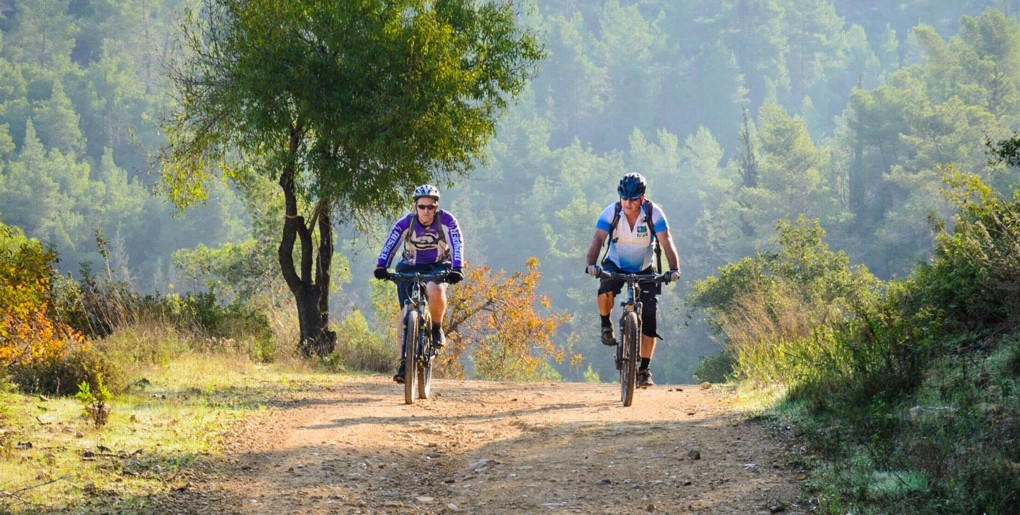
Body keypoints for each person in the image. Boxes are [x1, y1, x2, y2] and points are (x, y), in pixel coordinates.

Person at [584, 173, 680, 388]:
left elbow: (666, 242)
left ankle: (644, 369)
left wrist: (674, 269)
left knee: (649, 316)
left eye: (633, 199)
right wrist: (591, 264)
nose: (627, 203)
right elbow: (598, 239)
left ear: (642, 198)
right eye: (624, 198)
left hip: (645, 267)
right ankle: (605, 324)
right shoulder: (612, 212)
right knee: (604, 290)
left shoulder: (653, 213)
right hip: (615, 264)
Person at [374, 184, 464, 383]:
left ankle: (436, 327)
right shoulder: (406, 222)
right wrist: (382, 266)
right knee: (405, 314)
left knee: (434, 288)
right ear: (415, 207)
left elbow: (457, 243)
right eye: (422, 207)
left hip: (438, 266)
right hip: (410, 266)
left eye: (430, 207)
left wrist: (457, 268)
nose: (426, 211)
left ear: (436, 207)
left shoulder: (446, 221)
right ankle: (404, 362)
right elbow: (390, 244)